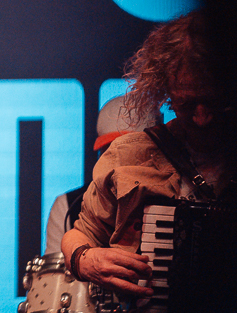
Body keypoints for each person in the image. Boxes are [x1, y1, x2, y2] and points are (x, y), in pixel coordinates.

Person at [61, 11, 233, 302]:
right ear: (166, 92)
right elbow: (80, 234)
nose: (202, 117)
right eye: (187, 103)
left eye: (213, 100)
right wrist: (83, 260)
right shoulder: (132, 155)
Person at [43, 94, 159, 256]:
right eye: (109, 151)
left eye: (128, 151)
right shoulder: (68, 205)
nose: (117, 161)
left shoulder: (176, 194)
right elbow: (57, 272)